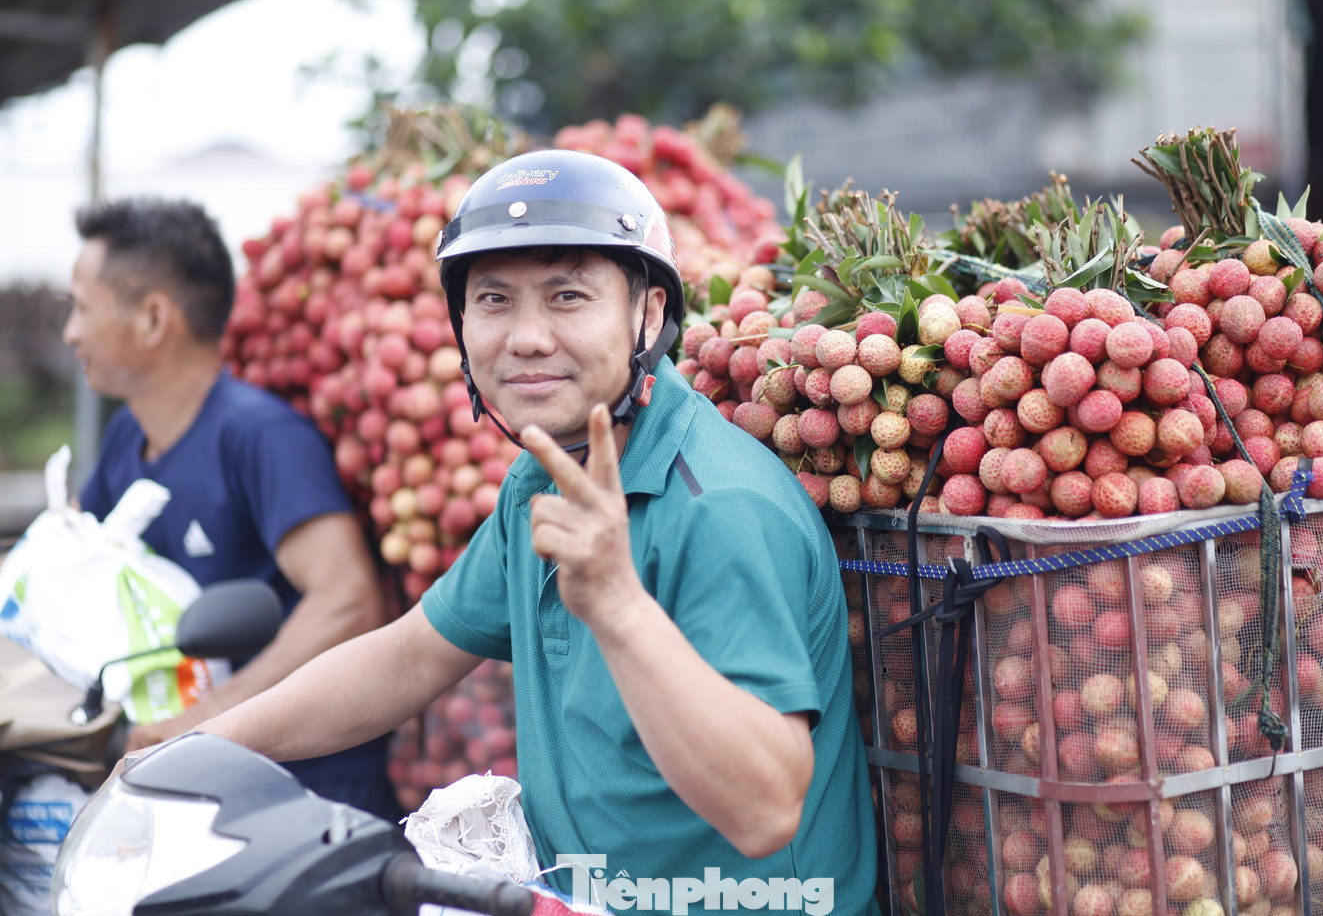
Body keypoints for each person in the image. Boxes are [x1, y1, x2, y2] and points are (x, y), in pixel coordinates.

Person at [174, 151, 880, 914]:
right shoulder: (544, 478)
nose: (527, 337)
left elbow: (766, 811)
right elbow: (411, 656)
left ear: (648, 314)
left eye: (568, 296)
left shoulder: (718, 508)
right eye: (494, 300)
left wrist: (617, 606)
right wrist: (208, 747)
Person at [66, 197, 399, 820]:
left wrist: (217, 714)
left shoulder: (259, 435)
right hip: (186, 779)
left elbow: (348, 600)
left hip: (303, 797)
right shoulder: (124, 440)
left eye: (81, 308)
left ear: (153, 319)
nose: (71, 333)